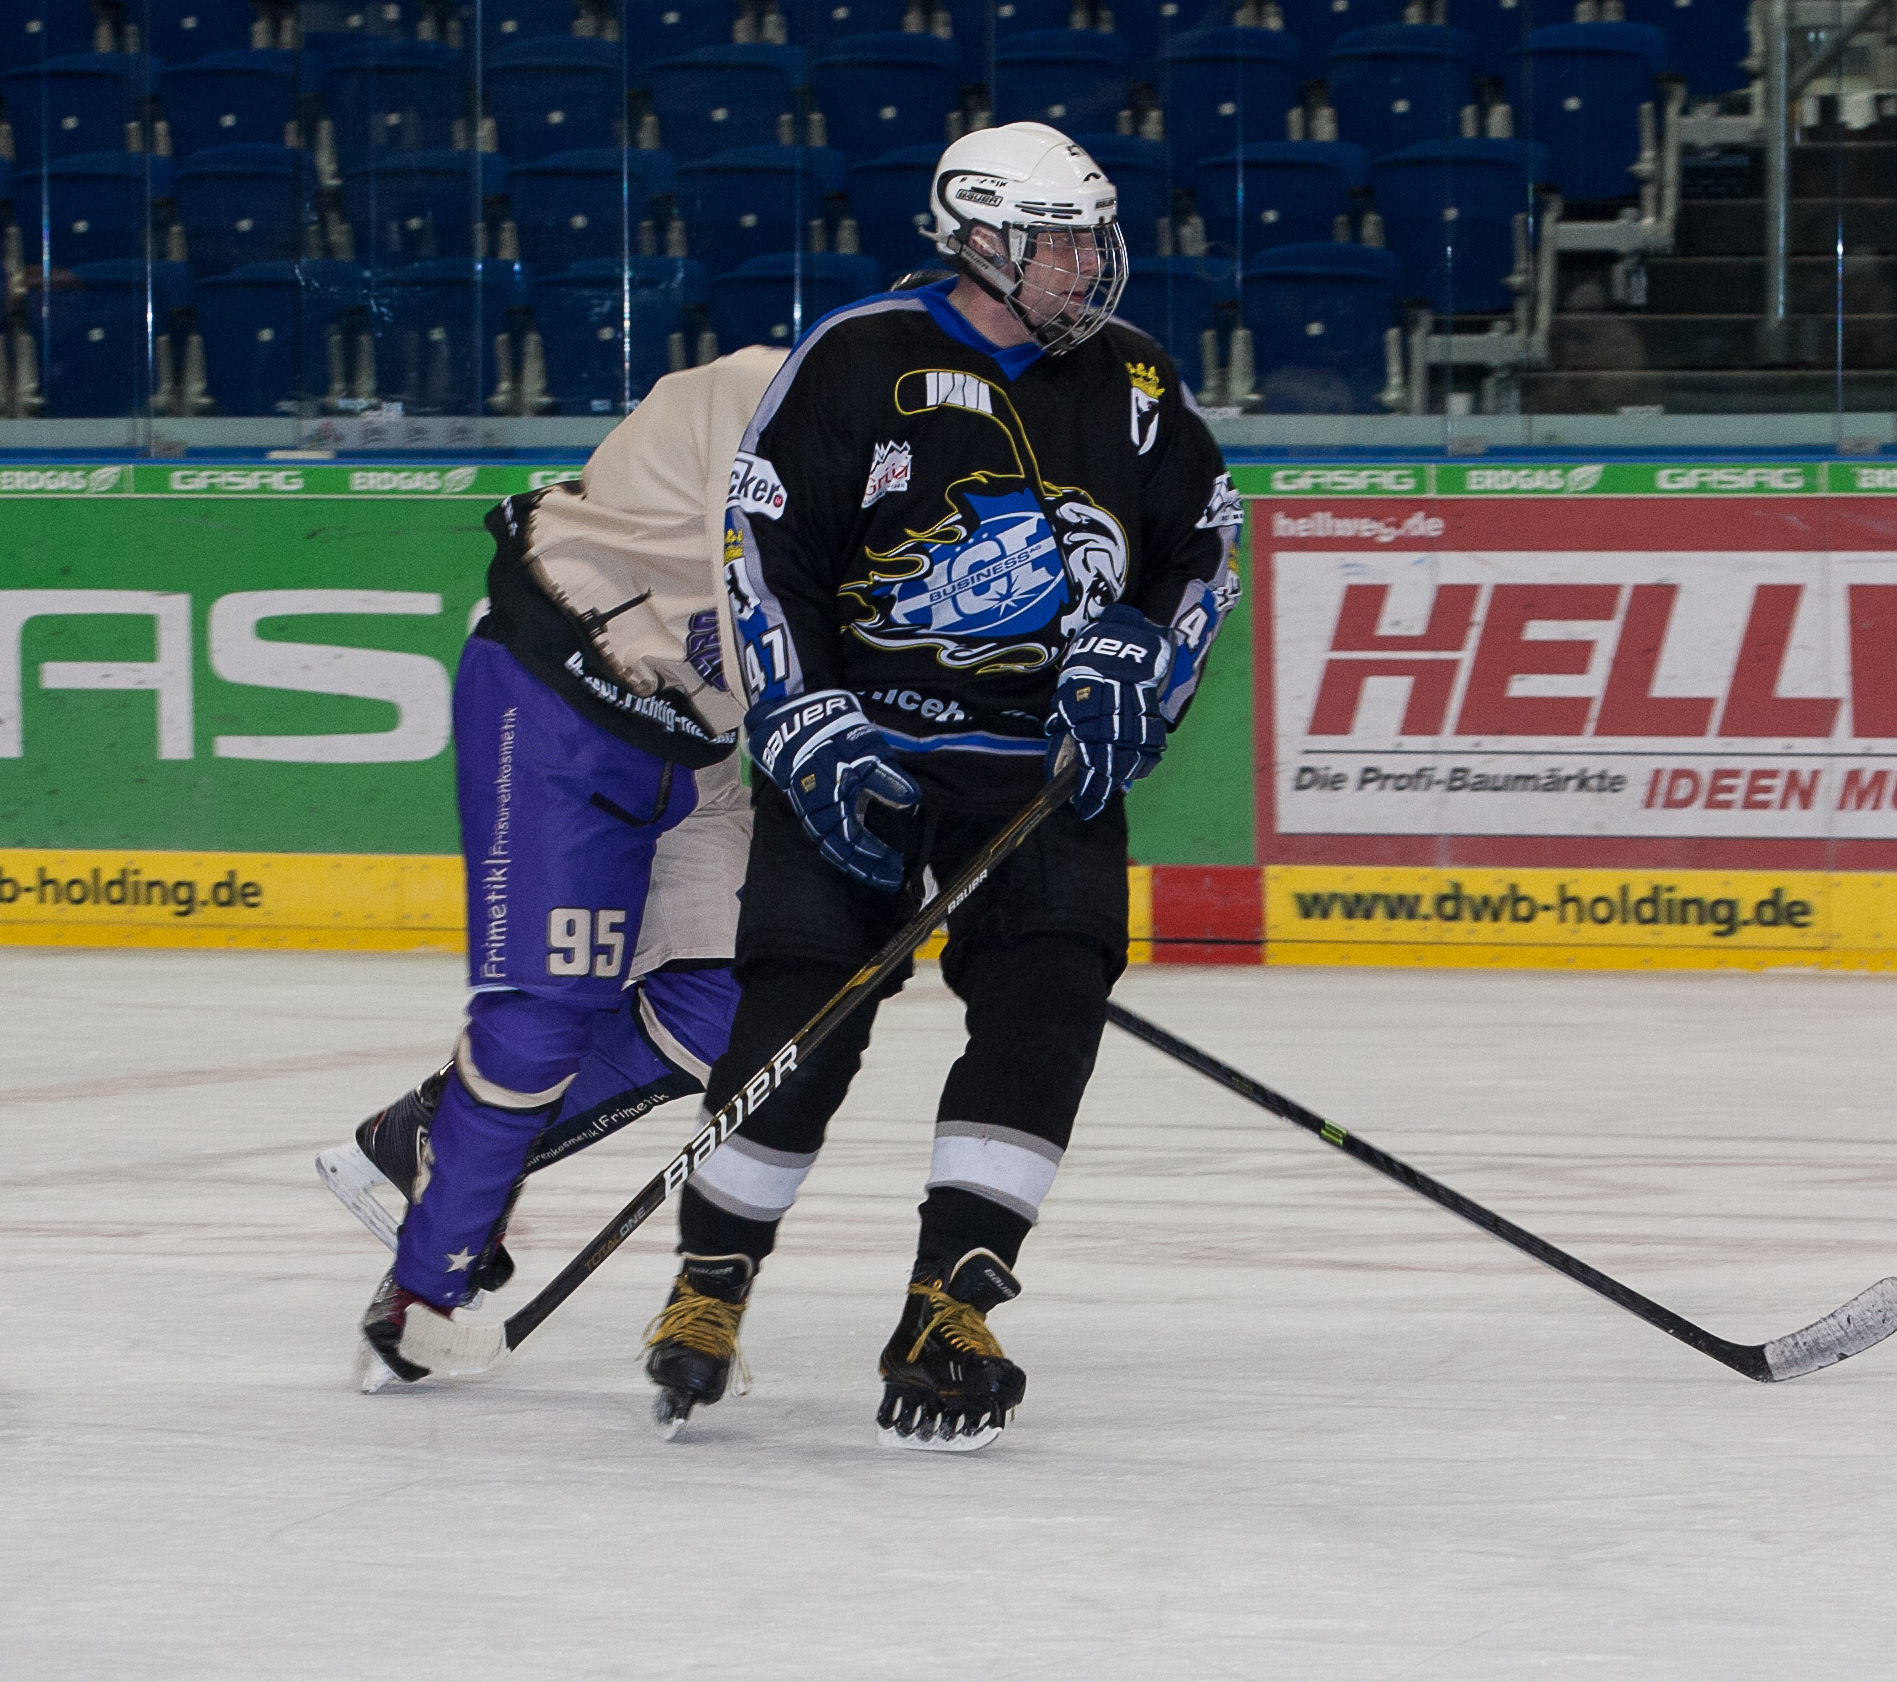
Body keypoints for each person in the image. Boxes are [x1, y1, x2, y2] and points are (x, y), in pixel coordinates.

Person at [640, 120, 1240, 1451]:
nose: (1087, 263)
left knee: (1046, 1004)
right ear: (977, 239)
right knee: (800, 1016)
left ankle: (948, 1301)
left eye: (1092, 237)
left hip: (1042, 771)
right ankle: (711, 1274)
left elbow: (1204, 551)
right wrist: (801, 714)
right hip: (863, 754)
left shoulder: (1137, 379)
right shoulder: (859, 357)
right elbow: (763, 547)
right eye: (1057, 241)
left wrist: (1144, 666)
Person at [320, 344, 790, 1391]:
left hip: (696, 739)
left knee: (738, 1007)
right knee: (538, 1020)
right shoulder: (776, 386)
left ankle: (431, 1138)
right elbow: (790, 580)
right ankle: (423, 1291)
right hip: (564, 697)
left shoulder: (960, 463)